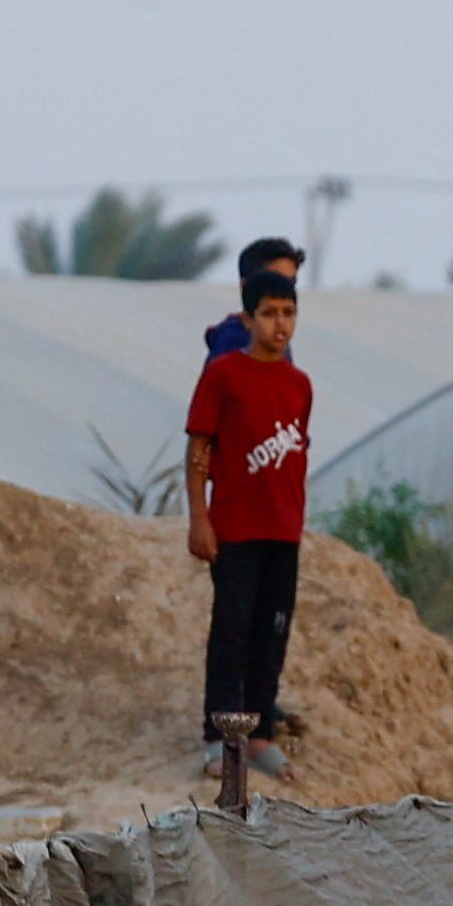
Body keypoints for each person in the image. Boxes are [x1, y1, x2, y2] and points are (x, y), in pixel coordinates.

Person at [187, 257, 312, 779]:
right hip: (235, 526)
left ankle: (259, 733)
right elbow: (199, 450)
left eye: (288, 313)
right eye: (268, 313)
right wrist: (199, 519)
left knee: (273, 631)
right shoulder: (223, 375)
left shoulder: (300, 384)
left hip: (283, 528)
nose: (279, 324)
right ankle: (220, 737)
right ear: (248, 317)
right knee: (232, 631)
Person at [204, 234, 301, 362]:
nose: (285, 290)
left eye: (291, 282)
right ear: (245, 286)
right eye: (274, 280)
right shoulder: (233, 343)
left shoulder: (276, 341)